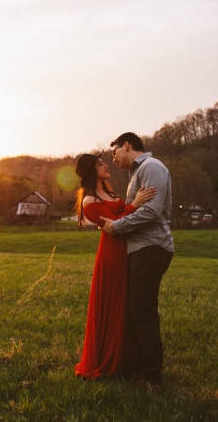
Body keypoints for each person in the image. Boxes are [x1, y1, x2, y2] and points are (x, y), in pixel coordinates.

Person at [101, 132, 174, 391]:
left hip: (151, 246)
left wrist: (118, 227)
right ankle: (142, 367)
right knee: (140, 309)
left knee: (141, 310)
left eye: (114, 152)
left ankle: (152, 377)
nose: (114, 159)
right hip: (142, 248)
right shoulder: (138, 173)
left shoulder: (152, 167)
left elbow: (152, 211)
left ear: (127, 146)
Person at [73, 152, 156, 380]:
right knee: (114, 302)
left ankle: (128, 358)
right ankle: (111, 360)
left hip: (127, 249)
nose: (105, 165)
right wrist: (136, 204)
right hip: (112, 254)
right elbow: (115, 225)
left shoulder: (108, 192)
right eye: (100, 164)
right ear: (92, 171)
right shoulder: (90, 202)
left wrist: (132, 209)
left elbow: (119, 220)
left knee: (128, 304)